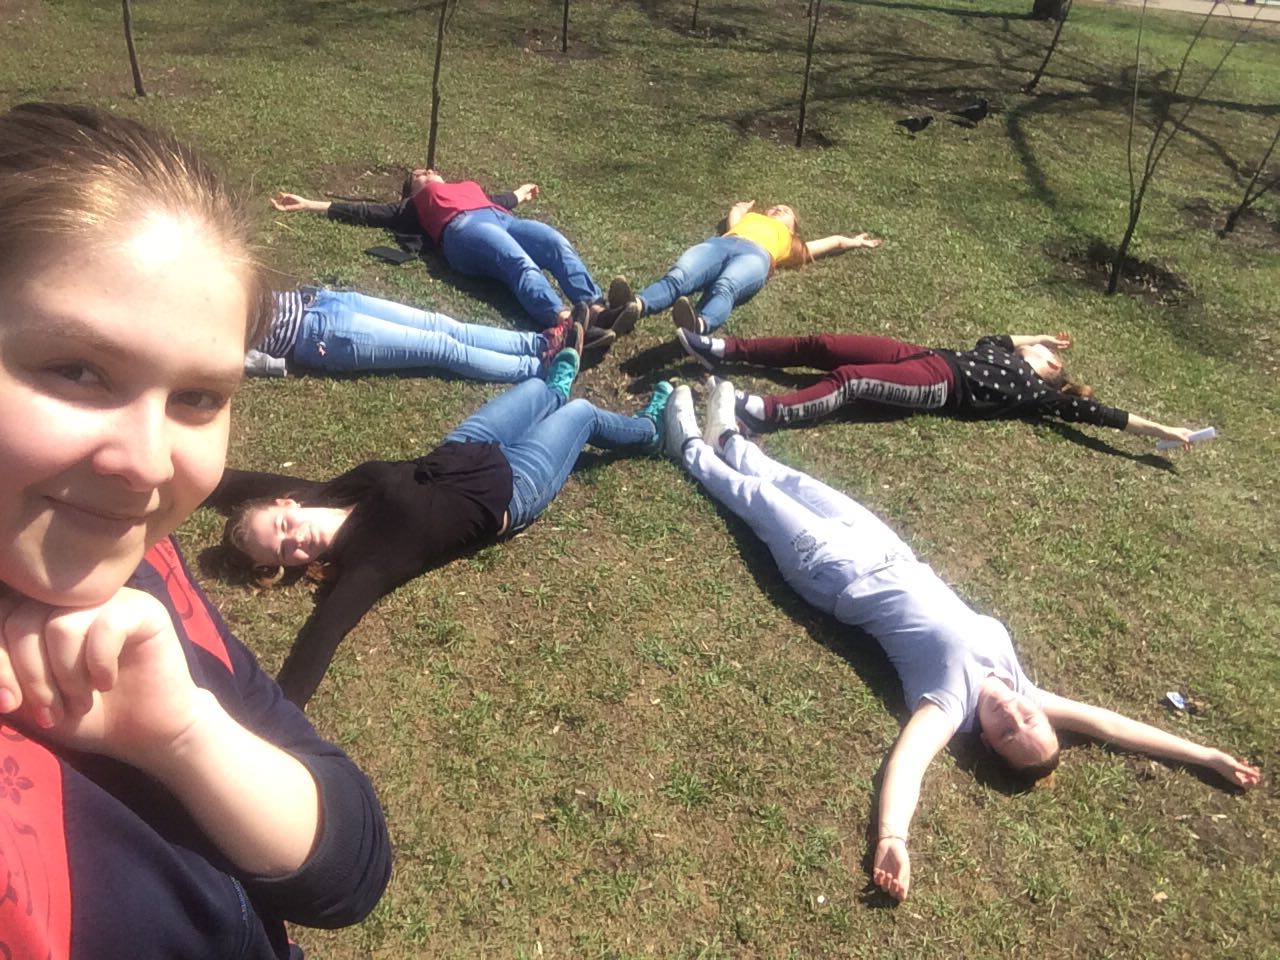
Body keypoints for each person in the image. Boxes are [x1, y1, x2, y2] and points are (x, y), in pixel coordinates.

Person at [0, 103, 391, 959]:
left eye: (198, 398)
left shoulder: (136, 564)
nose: (147, 465)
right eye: (77, 370)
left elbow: (352, 864)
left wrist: (182, 736)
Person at [663, 380, 1261, 903]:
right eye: (1030, 720)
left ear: (989, 743)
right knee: (793, 480)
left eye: (1008, 734)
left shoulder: (947, 704)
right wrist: (1204, 754)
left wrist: (892, 838)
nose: (1014, 716)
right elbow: (1109, 725)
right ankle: (731, 440)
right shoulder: (1022, 686)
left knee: (760, 499)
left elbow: (907, 764)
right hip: (888, 548)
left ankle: (688, 448)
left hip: (833, 572)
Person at [211, 345, 672, 707]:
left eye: (283, 525)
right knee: (582, 413)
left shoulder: (325, 494)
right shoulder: (364, 567)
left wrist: (189, 478)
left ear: (286, 503)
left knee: (536, 389)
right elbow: (322, 635)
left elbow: (238, 482)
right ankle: (647, 433)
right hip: (513, 487)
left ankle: (552, 393)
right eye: (283, 552)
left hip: (467, 445)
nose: (295, 539)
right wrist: (278, 716)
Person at [677, 328, 1197, 448]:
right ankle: (724, 349)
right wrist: (1036, 336)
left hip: (942, 384)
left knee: (851, 381)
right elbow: (1002, 337)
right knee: (825, 344)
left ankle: (763, 411)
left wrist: (1165, 430)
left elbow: (1104, 415)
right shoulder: (1003, 351)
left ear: (1053, 366)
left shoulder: (1042, 394)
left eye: (1041, 350)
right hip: (921, 354)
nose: (1031, 347)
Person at [271, 168, 608, 329]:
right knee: (518, 262)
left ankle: (596, 307)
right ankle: (563, 321)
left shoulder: (467, 188)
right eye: (418, 174)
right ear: (412, 190)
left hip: (499, 217)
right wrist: (308, 204)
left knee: (555, 242)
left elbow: (499, 200)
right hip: (463, 230)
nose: (426, 170)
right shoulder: (415, 204)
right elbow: (364, 211)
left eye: (428, 169)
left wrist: (520, 193)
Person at [597, 200, 881, 335]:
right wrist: (742, 208)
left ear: (793, 227)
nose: (779, 208)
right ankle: (635, 305)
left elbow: (832, 242)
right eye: (776, 206)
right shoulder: (749, 220)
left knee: (726, 287)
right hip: (722, 244)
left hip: (757, 257)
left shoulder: (793, 243)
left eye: (786, 211)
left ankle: (698, 325)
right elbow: (734, 216)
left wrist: (855, 242)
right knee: (679, 276)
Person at [245, 286, 613, 380]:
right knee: (440, 347)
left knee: (443, 324)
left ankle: (541, 343)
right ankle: (540, 367)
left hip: (323, 300)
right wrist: (275, 364)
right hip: (314, 336)